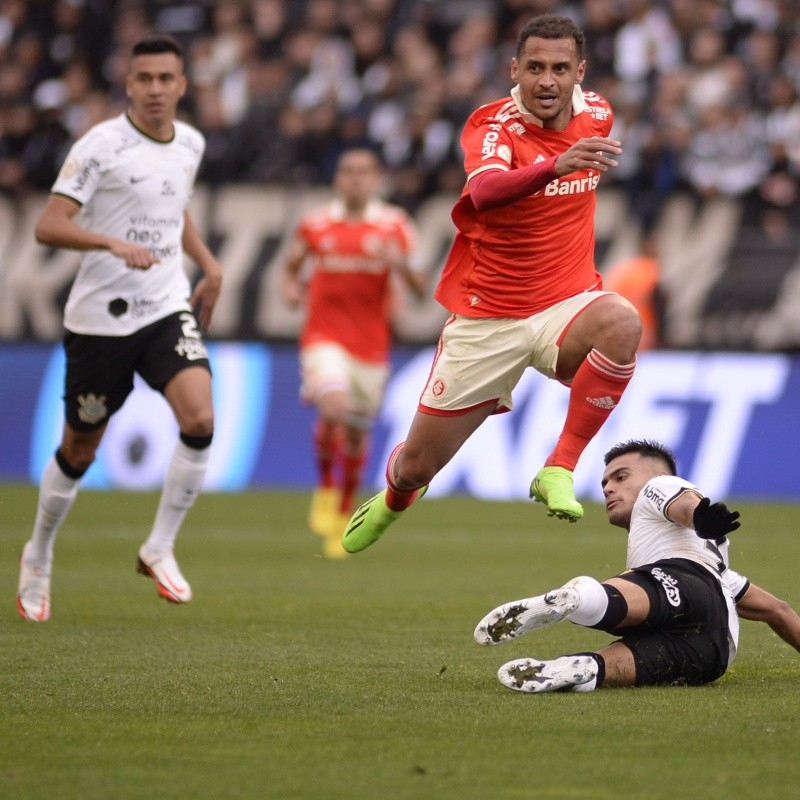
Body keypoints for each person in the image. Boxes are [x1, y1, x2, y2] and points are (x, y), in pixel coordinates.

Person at [341, 14, 641, 555]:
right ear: (514, 70)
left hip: (566, 304)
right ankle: (393, 499)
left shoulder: (598, 113)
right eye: (534, 68)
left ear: (580, 72)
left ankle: (558, 468)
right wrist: (555, 166)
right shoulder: (492, 126)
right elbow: (483, 192)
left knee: (623, 321)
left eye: (559, 68)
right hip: (488, 318)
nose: (546, 80)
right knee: (416, 466)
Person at [16, 33, 223, 621]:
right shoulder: (100, 145)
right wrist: (109, 241)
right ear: (127, 84)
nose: (155, 89)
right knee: (80, 447)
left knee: (201, 417)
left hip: (163, 305)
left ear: (182, 85)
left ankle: (158, 547)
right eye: (144, 79)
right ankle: (39, 553)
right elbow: (49, 225)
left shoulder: (190, 142)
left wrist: (209, 265)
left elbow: (172, 206)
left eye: (166, 79)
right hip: (99, 322)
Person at [473, 440, 800, 693]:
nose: (608, 488)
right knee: (616, 661)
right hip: (711, 653)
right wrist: (701, 521)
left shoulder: (659, 486)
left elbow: (683, 503)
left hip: (680, 582)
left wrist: (700, 515)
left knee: (629, 588)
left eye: (620, 476)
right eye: (604, 484)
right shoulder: (715, 566)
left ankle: (578, 598)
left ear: (658, 475)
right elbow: (778, 610)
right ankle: (581, 669)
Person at [281, 147, 425, 559]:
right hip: (323, 337)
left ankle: (344, 508)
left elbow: (418, 288)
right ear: (337, 179)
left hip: (371, 347)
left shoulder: (395, 226)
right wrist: (291, 290)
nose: (355, 178)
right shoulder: (314, 225)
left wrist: (399, 264)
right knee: (333, 407)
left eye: (363, 172)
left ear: (375, 178)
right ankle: (326, 486)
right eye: (348, 171)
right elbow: (289, 269)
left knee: (357, 430)